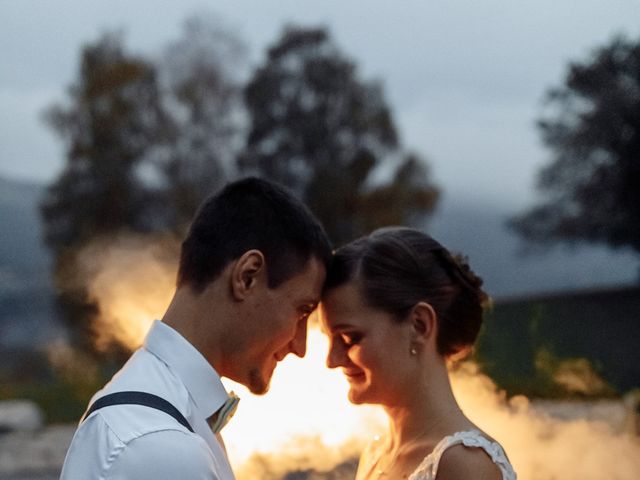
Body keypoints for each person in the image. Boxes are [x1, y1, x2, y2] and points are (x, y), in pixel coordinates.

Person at [60, 177, 332, 479]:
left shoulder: (154, 415)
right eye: (302, 311)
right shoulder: (162, 446)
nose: (301, 346)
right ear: (247, 276)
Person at [319, 227, 516, 480]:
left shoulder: (465, 464)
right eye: (328, 338)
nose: (331, 360)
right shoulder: (376, 452)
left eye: (350, 338)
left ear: (419, 325)